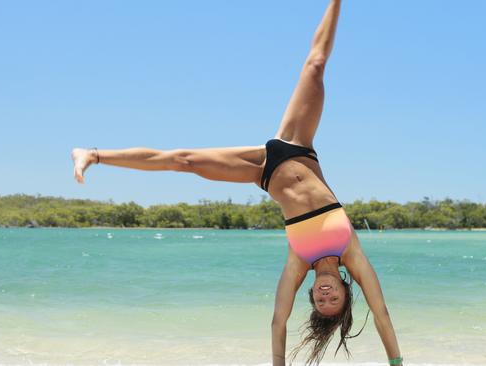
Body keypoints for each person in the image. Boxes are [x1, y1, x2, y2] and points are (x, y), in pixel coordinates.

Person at [71, 1, 402, 365]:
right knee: (316, 65)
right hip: (298, 147)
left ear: (311, 294)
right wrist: (397, 362)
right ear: (344, 289)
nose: (326, 296)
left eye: (321, 301)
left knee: (183, 161)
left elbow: (278, 322)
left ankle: (94, 154)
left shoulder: (298, 263)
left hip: (261, 169)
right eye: (333, 299)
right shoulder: (350, 251)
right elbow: (382, 312)